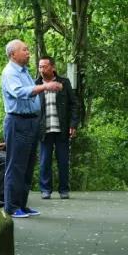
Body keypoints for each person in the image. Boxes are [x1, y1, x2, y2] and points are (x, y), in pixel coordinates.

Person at [0, 39, 61, 219]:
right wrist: (45, 86)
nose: (28, 53)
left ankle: (22, 204)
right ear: (13, 54)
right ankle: (11, 207)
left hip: (31, 122)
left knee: (27, 165)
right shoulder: (10, 72)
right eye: (24, 50)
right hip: (17, 121)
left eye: (28, 49)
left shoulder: (24, 71)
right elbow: (18, 92)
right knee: (16, 165)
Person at [36, 56, 79, 200]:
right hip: (43, 130)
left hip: (62, 128)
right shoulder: (35, 84)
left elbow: (74, 105)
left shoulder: (64, 82)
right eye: (40, 67)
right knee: (44, 161)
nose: (41, 69)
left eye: (44, 66)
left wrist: (73, 124)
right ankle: (45, 189)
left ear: (52, 67)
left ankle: (64, 189)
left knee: (63, 161)